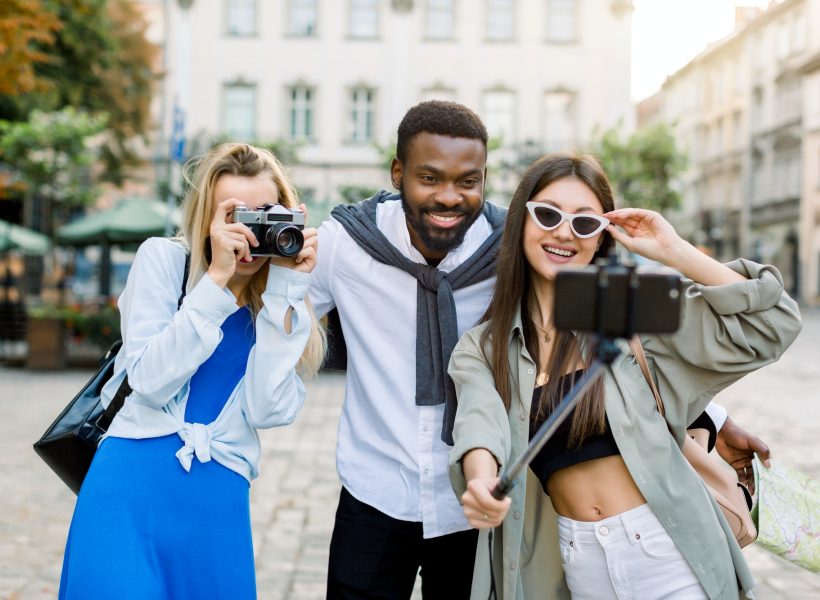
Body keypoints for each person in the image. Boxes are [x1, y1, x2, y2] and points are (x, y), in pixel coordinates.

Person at [310, 101, 769, 599]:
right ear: (398, 173)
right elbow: (272, 312)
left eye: (468, 180)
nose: (449, 197)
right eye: (429, 178)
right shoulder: (346, 244)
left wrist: (710, 416)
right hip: (378, 486)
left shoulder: (516, 244)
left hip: (487, 517)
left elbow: (633, 349)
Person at [448, 152, 802, 599]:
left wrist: (677, 252)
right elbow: (480, 425)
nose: (563, 232)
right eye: (548, 214)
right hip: (578, 565)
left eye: (584, 223)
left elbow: (773, 323)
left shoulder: (634, 318)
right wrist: (481, 482)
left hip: (669, 554)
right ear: (521, 220)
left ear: (601, 238)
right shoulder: (484, 347)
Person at [58, 143, 325, 599]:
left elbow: (267, 409)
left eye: (264, 212)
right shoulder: (163, 260)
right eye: (236, 213)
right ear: (208, 217)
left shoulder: (281, 297)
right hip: (129, 490)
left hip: (216, 501)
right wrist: (217, 281)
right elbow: (149, 380)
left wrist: (285, 287)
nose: (249, 229)